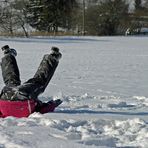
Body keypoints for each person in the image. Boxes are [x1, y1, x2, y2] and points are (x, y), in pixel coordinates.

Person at [0, 45, 62, 118]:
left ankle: (53, 57)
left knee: (39, 81)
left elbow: (44, 109)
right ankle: (8, 55)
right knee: (11, 80)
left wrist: (53, 103)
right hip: (6, 96)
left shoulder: (34, 109)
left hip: (24, 97)